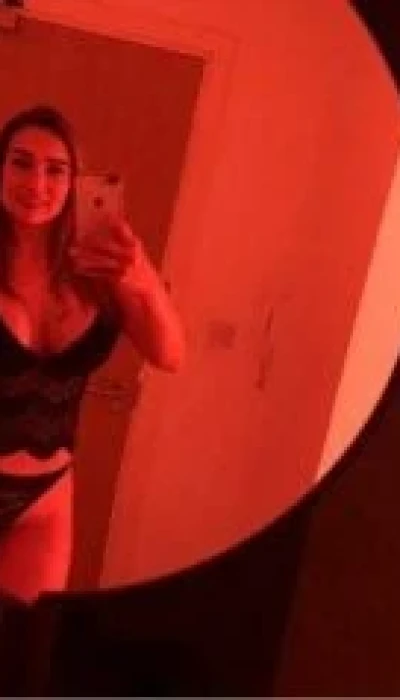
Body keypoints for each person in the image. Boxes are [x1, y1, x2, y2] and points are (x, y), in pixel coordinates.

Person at [0, 105, 186, 602]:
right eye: (21, 162)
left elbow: (170, 355)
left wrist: (142, 278)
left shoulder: (101, 269)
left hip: (44, 500)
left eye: (55, 169)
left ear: (75, 183)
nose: (36, 183)